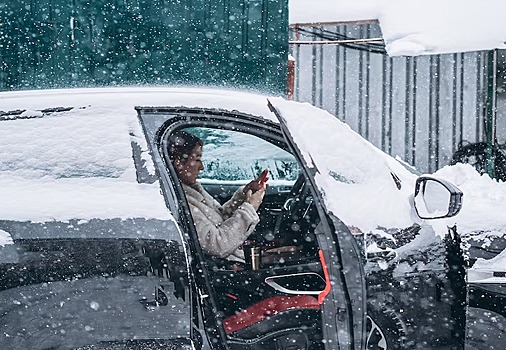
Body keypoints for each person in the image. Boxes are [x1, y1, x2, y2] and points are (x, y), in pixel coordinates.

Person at [167, 130, 269, 263]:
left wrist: (245, 196)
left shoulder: (190, 191)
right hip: (225, 271)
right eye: (197, 159)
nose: (202, 167)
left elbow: (220, 218)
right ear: (179, 163)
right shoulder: (179, 201)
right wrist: (250, 208)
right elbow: (216, 245)